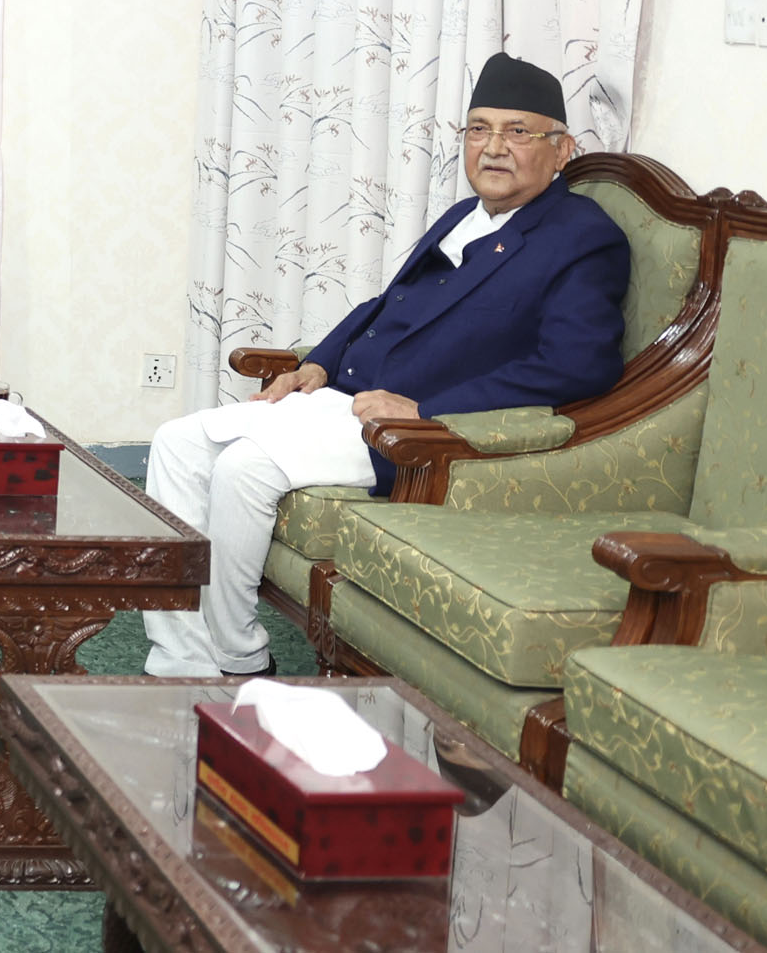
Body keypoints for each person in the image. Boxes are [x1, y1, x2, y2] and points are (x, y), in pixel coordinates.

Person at [142, 52, 631, 677]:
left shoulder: (582, 236)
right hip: (343, 399)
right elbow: (385, 303)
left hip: (408, 432)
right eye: (478, 129)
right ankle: (181, 657)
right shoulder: (465, 216)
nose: (493, 148)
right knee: (176, 442)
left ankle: (239, 660)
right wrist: (319, 364)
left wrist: (428, 410)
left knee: (244, 467)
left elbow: (578, 366)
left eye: (517, 131)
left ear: (561, 150)